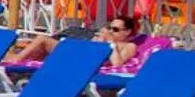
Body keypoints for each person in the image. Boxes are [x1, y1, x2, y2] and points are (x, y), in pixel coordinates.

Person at [9, 13, 141, 70]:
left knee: (42, 39)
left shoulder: (130, 46)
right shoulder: (107, 37)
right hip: (79, 52)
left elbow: (117, 64)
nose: (111, 31)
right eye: (109, 27)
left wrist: (110, 43)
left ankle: (16, 59)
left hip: (81, 59)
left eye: (116, 29)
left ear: (127, 32)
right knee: (40, 49)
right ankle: (11, 60)